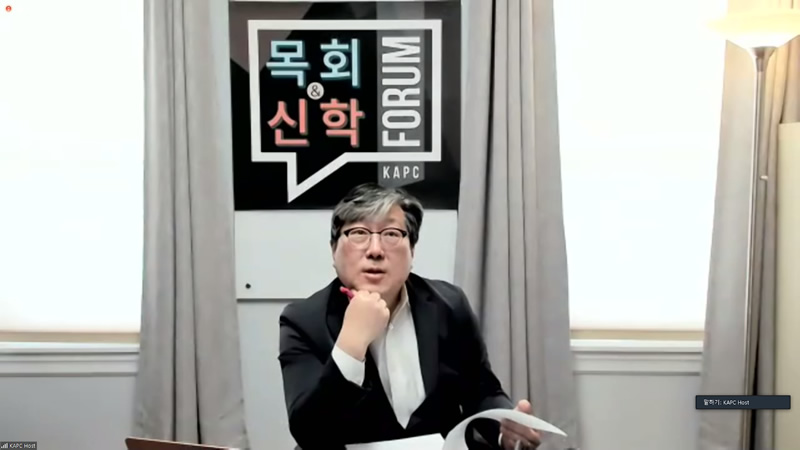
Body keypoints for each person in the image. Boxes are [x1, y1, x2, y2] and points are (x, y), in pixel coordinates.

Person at [278, 183, 542, 450]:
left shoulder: (449, 305)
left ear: (412, 251)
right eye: (358, 233)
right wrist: (351, 344)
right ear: (334, 250)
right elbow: (307, 431)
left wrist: (505, 430)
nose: (375, 250)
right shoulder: (303, 321)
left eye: (391, 234)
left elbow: (482, 392)